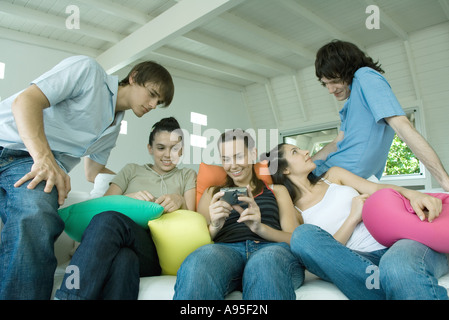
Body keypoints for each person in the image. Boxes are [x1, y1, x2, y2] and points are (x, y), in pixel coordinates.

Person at [0, 55, 174, 299]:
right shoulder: (89, 72)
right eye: (152, 94)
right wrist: (44, 158)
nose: (154, 105)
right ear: (133, 77)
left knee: (37, 213)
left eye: (160, 102)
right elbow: (25, 102)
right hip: (18, 148)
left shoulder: (113, 128)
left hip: (29, 165)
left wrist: (134, 183)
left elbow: (92, 173)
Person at [264, 143, 449, 299]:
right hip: (358, 264)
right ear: (284, 169)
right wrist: (353, 218)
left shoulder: (333, 176)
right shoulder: (295, 210)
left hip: (396, 244)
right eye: (295, 152)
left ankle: (386, 286)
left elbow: (377, 188)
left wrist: (414, 195)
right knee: (301, 237)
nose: (306, 152)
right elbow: (321, 255)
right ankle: (383, 286)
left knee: (396, 266)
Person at [55, 117, 196, 300]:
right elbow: (104, 205)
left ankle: (68, 296)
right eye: (161, 148)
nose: (168, 154)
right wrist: (128, 199)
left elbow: (193, 216)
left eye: (175, 149)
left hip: (155, 252)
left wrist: (179, 200)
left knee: (109, 221)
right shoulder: (132, 170)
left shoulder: (186, 175)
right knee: (124, 259)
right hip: (123, 243)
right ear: (150, 148)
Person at [173, 129, 303, 300]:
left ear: (253, 154)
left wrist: (260, 227)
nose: (232, 165)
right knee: (199, 261)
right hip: (225, 252)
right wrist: (215, 225)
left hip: (270, 249)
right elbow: (199, 242)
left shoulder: (277, 190)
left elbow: (292, 238)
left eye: (238, 156)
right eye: (226, 159)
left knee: (263, 263)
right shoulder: (212, 193)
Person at [312, 40, 449, 191]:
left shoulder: (364, 76)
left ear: (349, 70)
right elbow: (336, 143)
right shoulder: (349, 104)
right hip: (325, 174)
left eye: (335, 81)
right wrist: (302, 166)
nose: (330, 90)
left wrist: (444, 181)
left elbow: (403, 127)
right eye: (325, 84)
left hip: (341, 177)